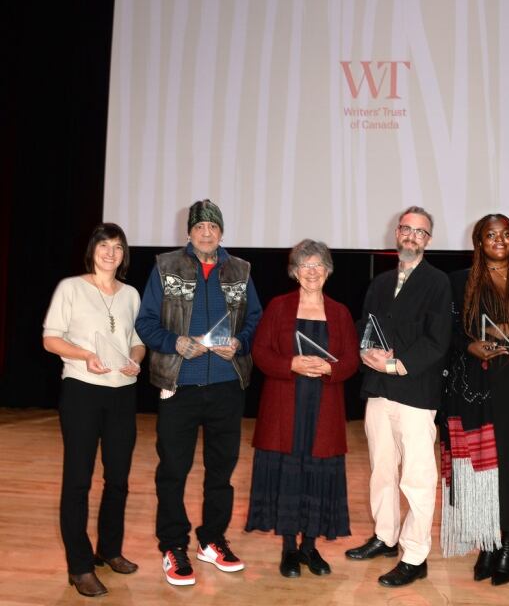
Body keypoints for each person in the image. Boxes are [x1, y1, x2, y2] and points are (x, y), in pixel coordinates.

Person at [135, 199, 261, 586]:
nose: (207, 233)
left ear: (222, 232)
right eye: (199, 227)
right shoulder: (165, 266)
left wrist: (239, 344)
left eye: (213, 227)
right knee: (173, 470)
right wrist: (176, 343)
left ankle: (212, 540)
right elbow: (146, 322)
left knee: (221, 472)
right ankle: (173, 545)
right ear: (189, 232)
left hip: (226, 386)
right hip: (179, 385)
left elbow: (254, 318)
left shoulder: (240, 270)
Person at [345, 206, 452, 587]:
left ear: (429, 239)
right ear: (396, 233)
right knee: (382, 472)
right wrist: (364, 352)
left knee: (418, 478)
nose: (411, 236)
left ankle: (415, 554)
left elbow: (438, 341)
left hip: (415, 394)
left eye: (420, 232)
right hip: (378, 392)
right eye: (406, 229)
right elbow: (365, 328)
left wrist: (394, 365)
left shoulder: (438, 283)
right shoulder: (380, 282)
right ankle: (385, 536)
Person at [439, 214, 509, 586]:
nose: (499, 240)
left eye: (506, 234)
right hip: (474, 382)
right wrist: (470, 345)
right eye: (490, 235)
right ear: (478, 241)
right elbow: (446, 331)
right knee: (481, 464)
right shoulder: (458, 282)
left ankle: (508, 543)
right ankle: (487, 539)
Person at [42, 223, 146, 597]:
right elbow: (51, 338)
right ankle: (80, 566)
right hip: (82, 391)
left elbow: (136, 341)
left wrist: (135, 359)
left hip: (123, 393)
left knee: (118, 478)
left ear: (123, 254)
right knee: (78, 481)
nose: (110, 252)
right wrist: (86, 355)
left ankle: (110, 550)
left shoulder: (131, 294)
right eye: (104, 245)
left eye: (117, 247)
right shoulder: (71, 288)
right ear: (93, 250)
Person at [247, 239, 360, 578]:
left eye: (318, 265)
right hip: (284, 408)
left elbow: (352, 360)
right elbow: (261, 353)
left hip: (323, 410)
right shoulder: (278, 307)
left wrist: (330, 369)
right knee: (287, 475)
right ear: (294, 271)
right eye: (305, 265)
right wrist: (291, 365)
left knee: (317, 474)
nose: (312, 271)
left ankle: (310, 547)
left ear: (328, 271)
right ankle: (288, 550)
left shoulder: (339, 312)